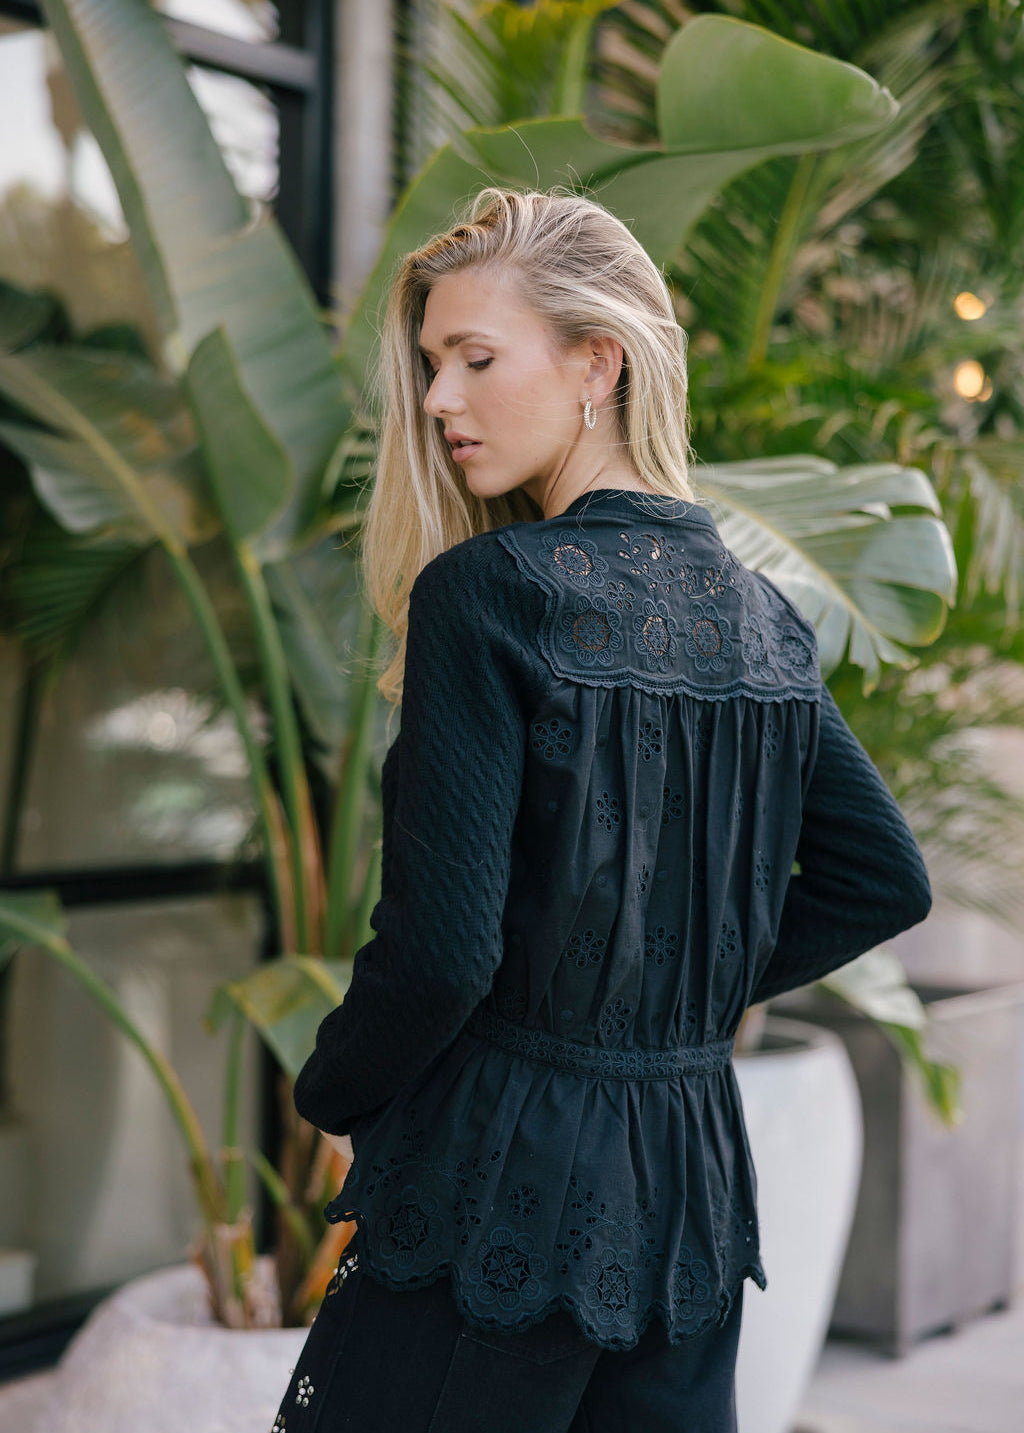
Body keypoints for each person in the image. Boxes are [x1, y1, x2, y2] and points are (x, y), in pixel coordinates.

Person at [271, 186, 931, 1433]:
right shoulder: (760, 614)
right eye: (429, 364)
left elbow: (443, 953)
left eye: (475, 358)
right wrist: (660, 991)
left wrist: (328, 1092)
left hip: (494, 1177)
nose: (436, 401)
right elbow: (881, 878)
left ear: (597, 361)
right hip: (683, 1180)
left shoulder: (488, 593)